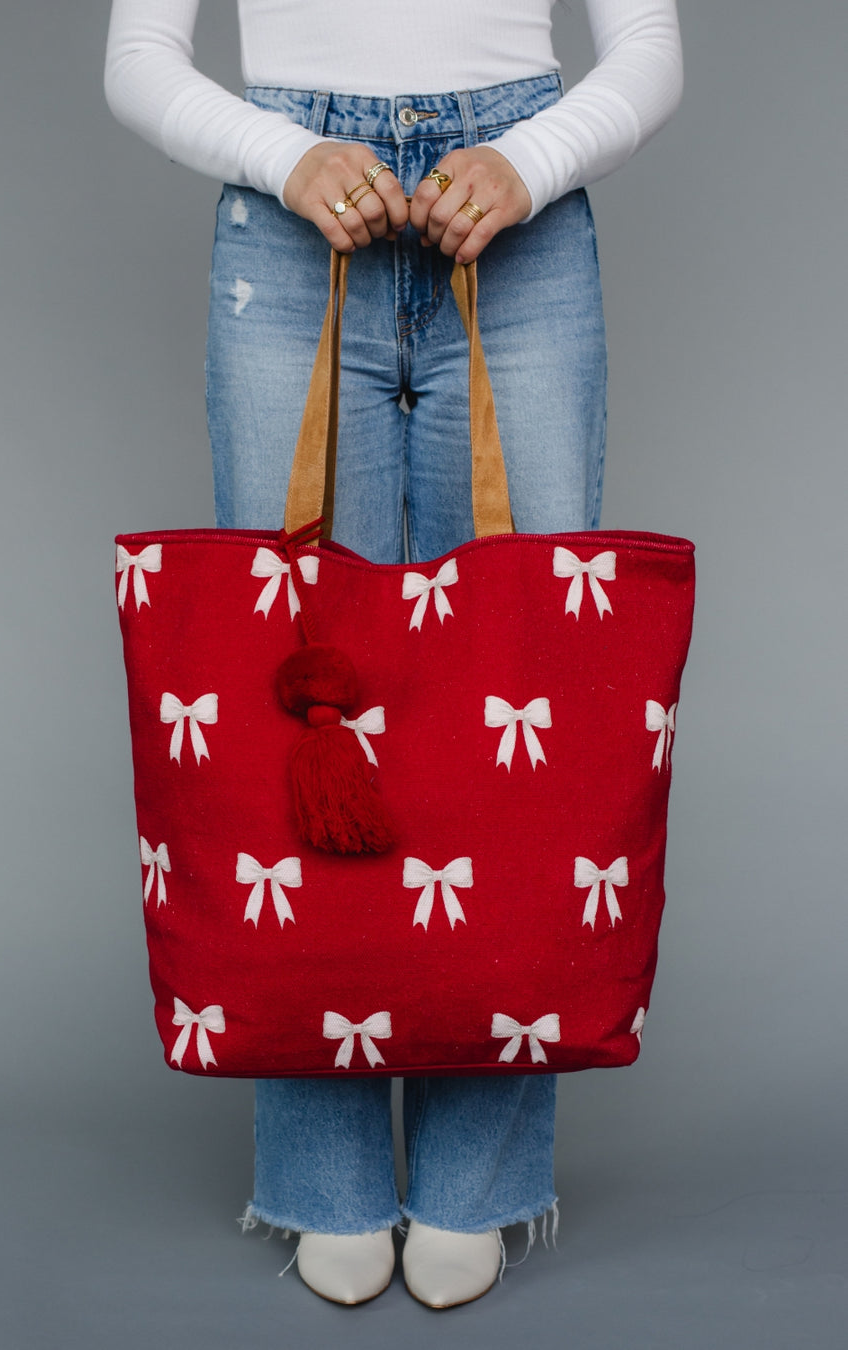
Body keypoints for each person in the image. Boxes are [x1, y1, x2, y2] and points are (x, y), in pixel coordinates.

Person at [105, 0, 683, 1309]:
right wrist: (280, 155)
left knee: (521, 686)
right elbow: (137, 57)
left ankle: (482, 1176)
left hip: (525, 216)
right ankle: (323, 1173)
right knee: (297, 686)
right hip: (289, 222)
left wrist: (531, 162)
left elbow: (651, 51)